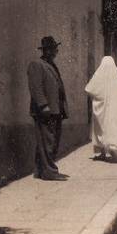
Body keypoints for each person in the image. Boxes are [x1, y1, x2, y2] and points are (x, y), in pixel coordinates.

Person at [27, 36, 69, 181]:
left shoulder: (50, 64)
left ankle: (40, 171)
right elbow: (35, 87)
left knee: (47, 141)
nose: (56, 51)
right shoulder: (36, 64)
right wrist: (43, 105)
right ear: (48, 50)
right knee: (48, 141)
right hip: (45, 110)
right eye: (54, 49)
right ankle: (50, 172)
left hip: (55, 109)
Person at [85, 55, 117, 161]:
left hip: (101, 110)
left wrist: (98, 98)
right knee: (113, 128)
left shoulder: (99, 75)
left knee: (100, 130)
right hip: (114, 110)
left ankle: (102, 153)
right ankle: (113, 153)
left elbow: (89, 89)